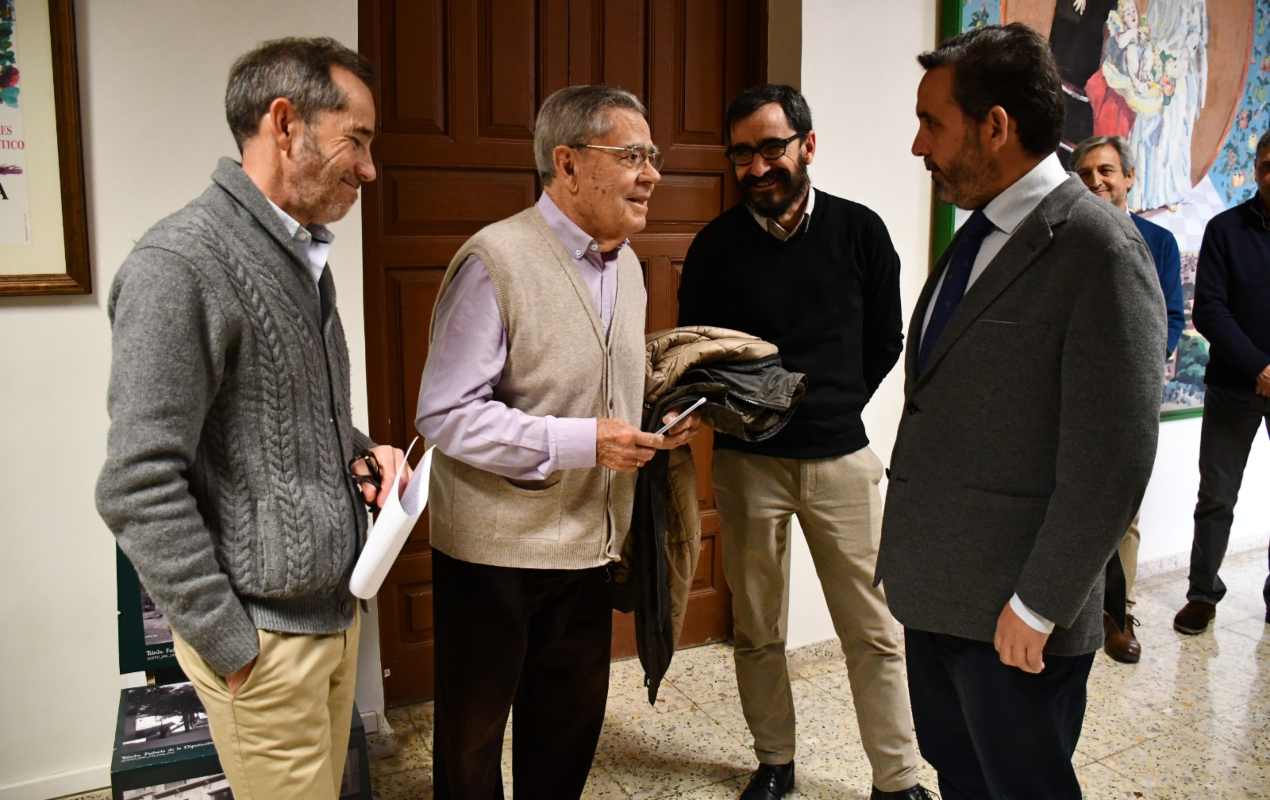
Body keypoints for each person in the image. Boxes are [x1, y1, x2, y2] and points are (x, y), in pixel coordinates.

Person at [96, 37, 407, 800]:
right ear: (285, 123)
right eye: (357, 140)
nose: (369, 168)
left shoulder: (298, 256)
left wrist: (364, 454)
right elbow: (136, 484)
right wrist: (229, 642)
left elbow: (283, 418)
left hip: (333, 618)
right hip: (265, 645)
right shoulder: (181, 265)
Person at [879, 24, 1165, 799]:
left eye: (931, 123)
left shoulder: (1099, 248)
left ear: (996, 126)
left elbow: (1115, 455)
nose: (918, 146)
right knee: (961, 777)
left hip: (1015, 618)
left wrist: (1040, 604)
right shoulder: (977, 233)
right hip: (939, 592)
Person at [414, 84, 698, 799]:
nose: (652, 174)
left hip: (589, 549)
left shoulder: (627, 264)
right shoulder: (494, 260)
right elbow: (445, 415)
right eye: (632, 155)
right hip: (493, 556)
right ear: (567, 165)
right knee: (472, 749)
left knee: (565, 735)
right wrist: (584, 443)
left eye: (653, 156)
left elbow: (595, 387)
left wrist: (657, 420)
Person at [677, 84, 932, 800]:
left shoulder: (861, 232)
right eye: (742, 154)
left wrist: (835, 403)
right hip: (747, 464)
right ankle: (775, 760)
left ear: (806, 146)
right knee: (757, 627)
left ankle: (898, 779)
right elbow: (698, 353)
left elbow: (886, 337)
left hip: (842, 463)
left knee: (874, 630)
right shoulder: (713, 248)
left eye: (771, 148)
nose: (756, 167)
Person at [1072, 134, 1184, 662]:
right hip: (1071, 395)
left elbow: (1171, 318)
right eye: (1086, 172)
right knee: (1064, 501)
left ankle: (1118, 613)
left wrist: (1135, 369)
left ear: (1129, 178)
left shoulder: (1158, 243)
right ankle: (1070, 608)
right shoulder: (1065, 237)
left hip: (1130, 400)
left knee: (1123, 514)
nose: (1096, 181)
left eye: (1106, 170)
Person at [1173, 130, 1270, 635]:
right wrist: (1260, 367)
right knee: (1217, 496)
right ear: (1256, 169)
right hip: (1235, 384)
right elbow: (1209, 309)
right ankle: (1202, 595)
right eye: (1269, 164)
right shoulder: (1225, 229)